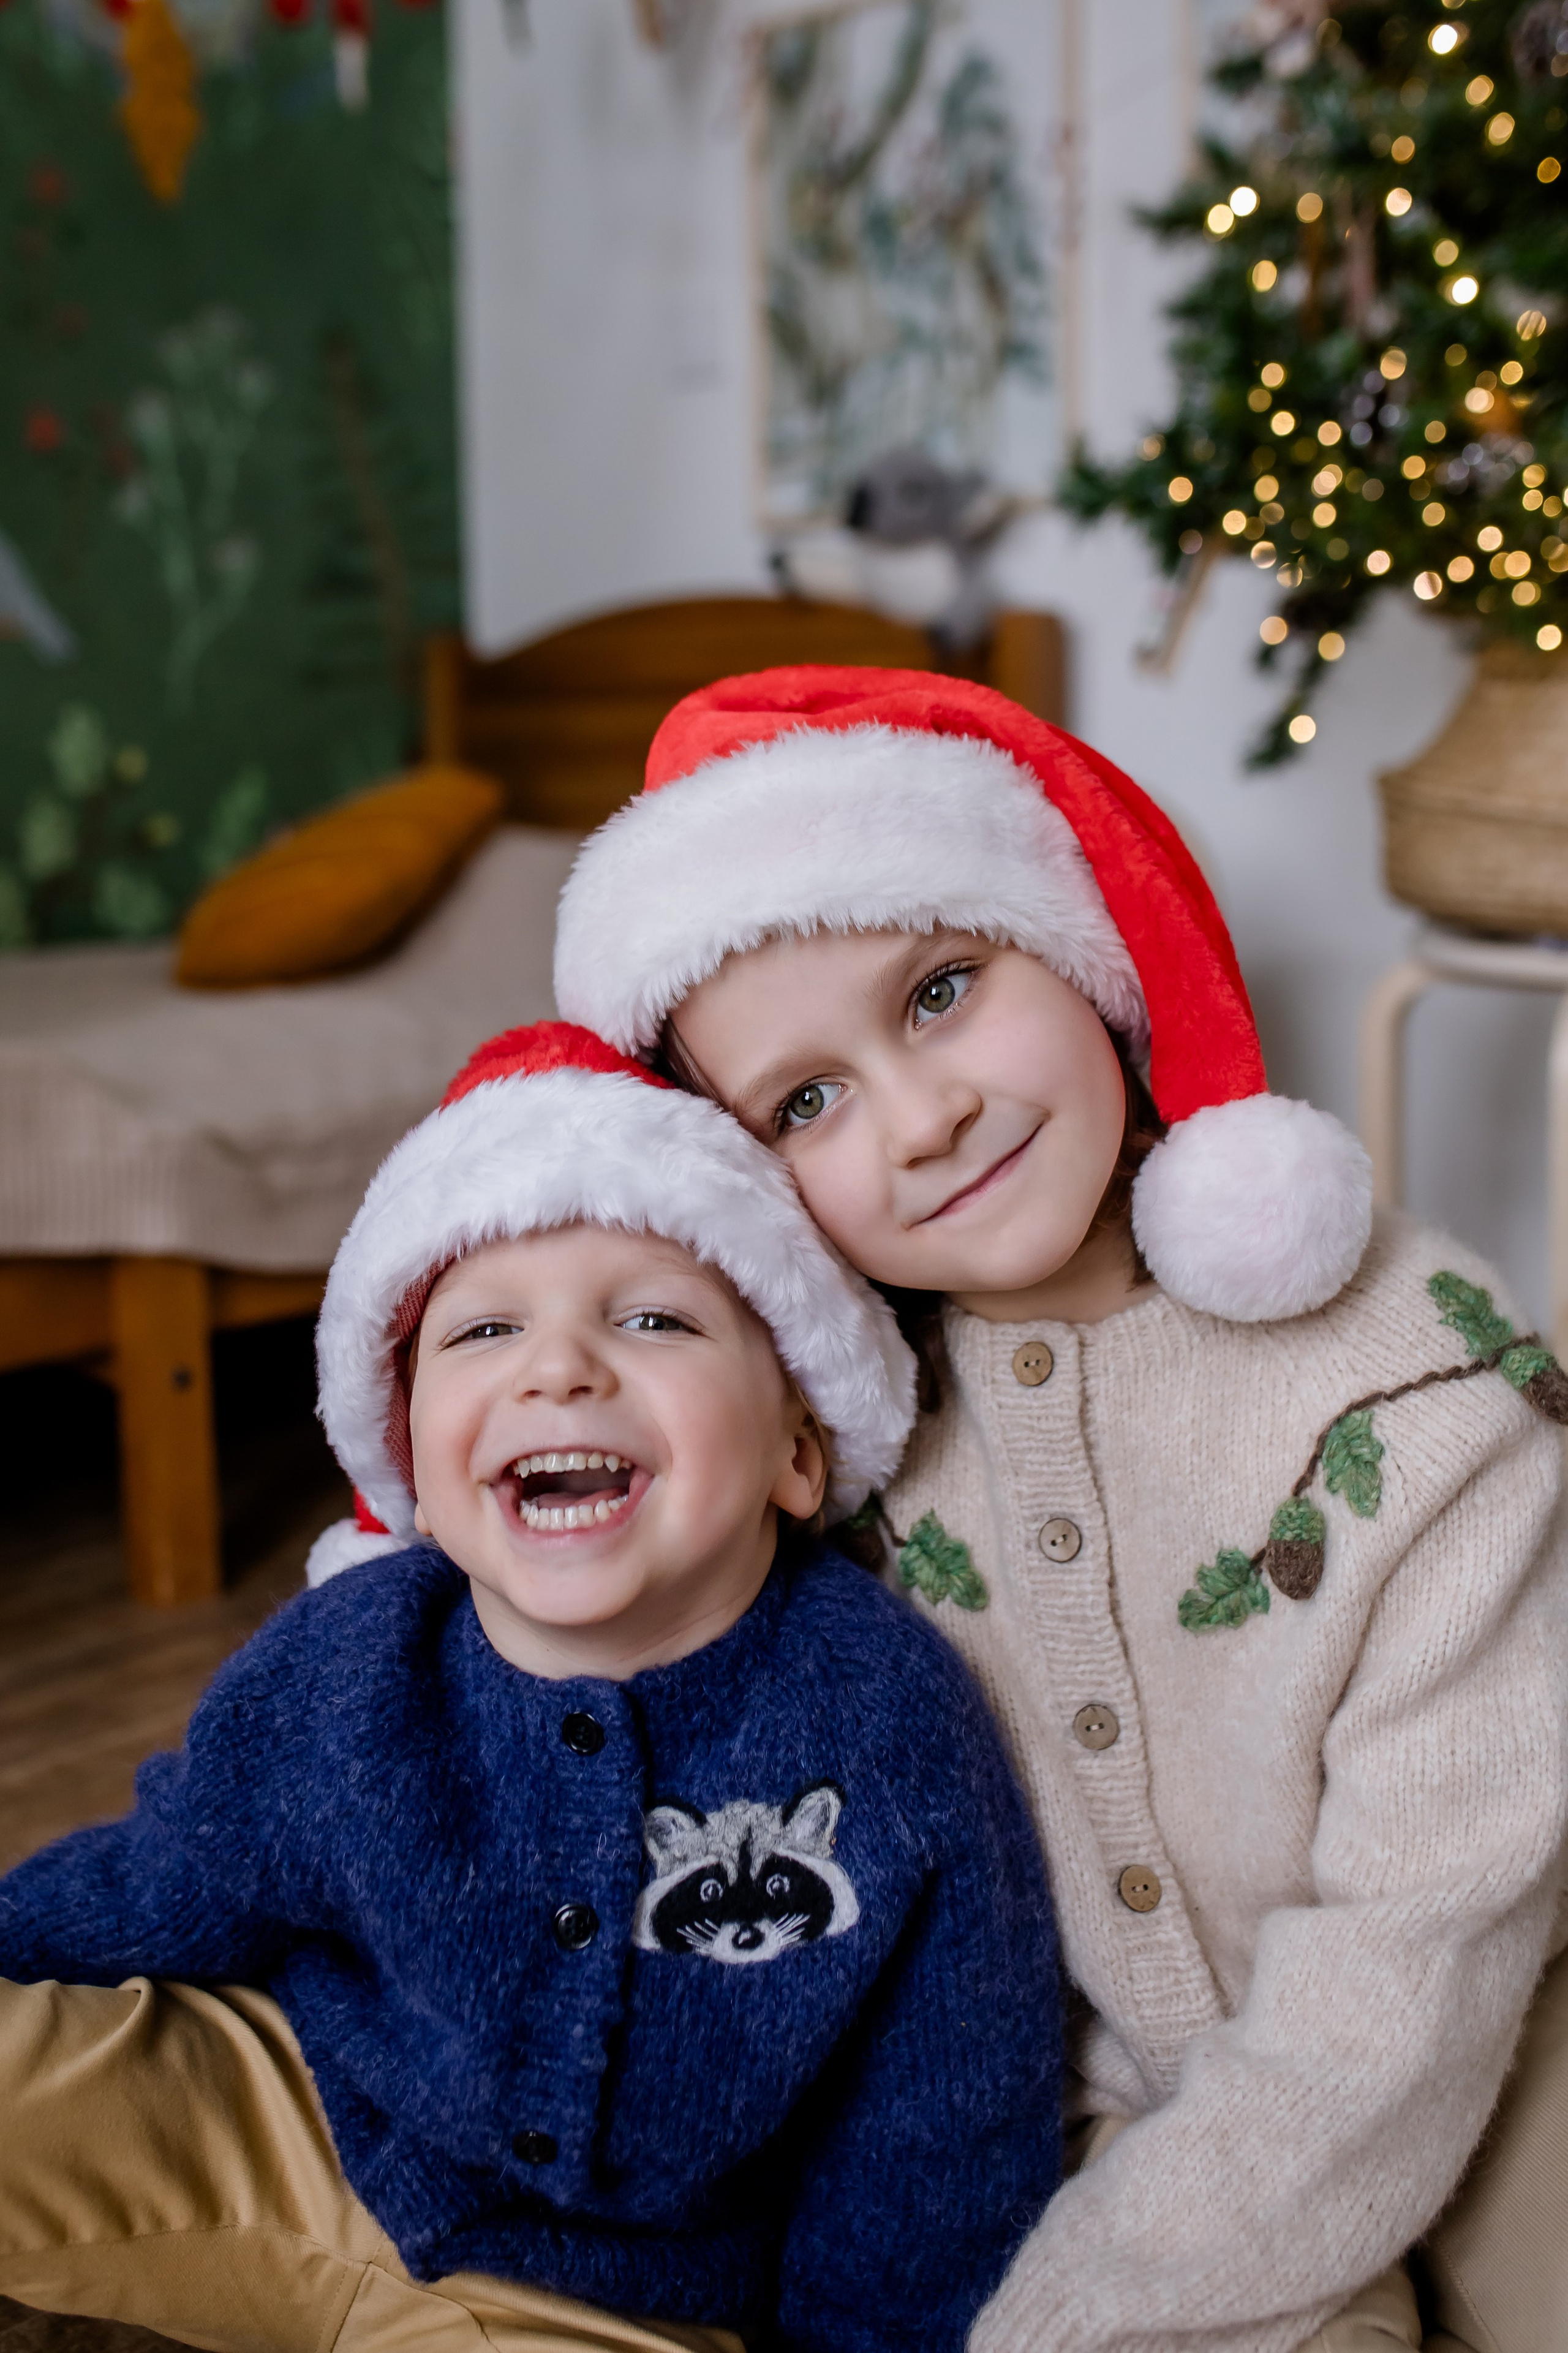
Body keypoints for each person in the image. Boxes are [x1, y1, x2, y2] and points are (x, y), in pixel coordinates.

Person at [551, 668, 1568, 2353]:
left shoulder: (1416, 1384)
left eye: (942, 989)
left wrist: (1101, 2294)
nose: (925, 1114)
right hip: (1068, 2107)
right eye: (804, 1104)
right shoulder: (841, 1451)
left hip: (1478, 2036)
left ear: (1090, 951)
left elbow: (1428, 1945)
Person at [0, 1019, 1065, 2353]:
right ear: (412, 1467)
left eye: (652, 1317)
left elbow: (941, 2123)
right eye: (485, 1328)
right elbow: (165, 1876)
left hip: (622, 2301)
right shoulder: (349, 1664)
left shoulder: (886, 1712)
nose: (557, 1366)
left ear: (800, 1447)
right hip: (302, 2121)